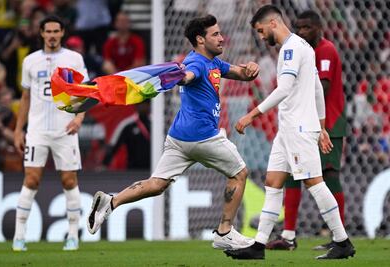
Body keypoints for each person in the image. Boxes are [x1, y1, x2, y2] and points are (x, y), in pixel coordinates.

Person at [87, 14, 260, 251]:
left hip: (179, 138)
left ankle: (111, 201)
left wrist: (251, 68)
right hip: (202, 137)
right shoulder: (197, 64)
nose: (222, 38)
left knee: (157, 184)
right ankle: (224, 232)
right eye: (215, 34)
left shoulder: (214, 63)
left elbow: (241, 74)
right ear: (200, 39)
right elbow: (188, 76)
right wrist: (180, 77)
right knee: (240, 173)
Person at [224, 5, 355, 260]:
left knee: (314, 182)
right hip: (291, 129)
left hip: (298, 128)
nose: (261, 38)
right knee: (273, 182)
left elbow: (284, 89)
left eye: (262, 31)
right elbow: (316, 88)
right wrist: (322, 127)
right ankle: (259, 245)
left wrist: (252, 115)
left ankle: (342, 241)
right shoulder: (304, 48)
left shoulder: (291, 48)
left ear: (273, 24)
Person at [266, 10, 348, 251]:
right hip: (303, 124)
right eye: (299, 28)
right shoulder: (302, 51)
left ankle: (338, 236)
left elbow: (320, 86)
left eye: (306, 27)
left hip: (328, 124)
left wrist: (288, 89)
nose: (302, 32)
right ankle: (289, 236)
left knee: (329, 176)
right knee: (292, 174)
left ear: (319, 28)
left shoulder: (325, 50)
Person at [12, 15, 89, 252]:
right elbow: (25, 97)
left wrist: (79, 118)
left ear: (62, 33)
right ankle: (19, 236)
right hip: (36, 130)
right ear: (42, 34)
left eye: (57, 31)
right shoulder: (30, 61)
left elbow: (84, 91)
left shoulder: (74, 59)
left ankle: (73, 235)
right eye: (48, 31)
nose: (53, 35)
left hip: (64, 129)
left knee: (68, 180)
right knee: (31, 179)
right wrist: (18, 130)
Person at [101, 100, 151, 170]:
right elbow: (114, 146)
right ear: (135, 106)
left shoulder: (156, 124)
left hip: (154, 168)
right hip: (133, 170)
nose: (143, 107)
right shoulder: (127, 125)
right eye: (140, 104)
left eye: (146, 104)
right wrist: (104, 164)